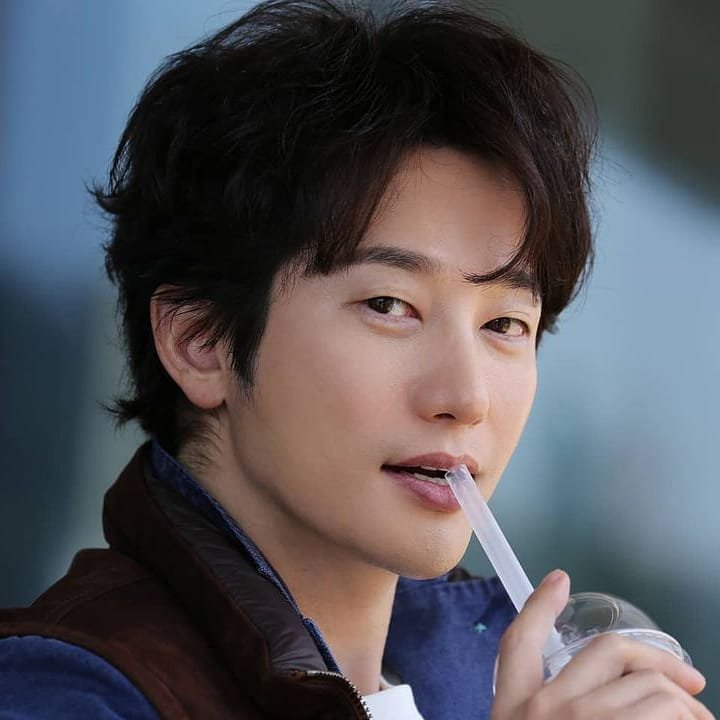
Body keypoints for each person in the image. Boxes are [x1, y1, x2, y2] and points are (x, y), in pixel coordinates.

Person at [0, 1, 712, 718]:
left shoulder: (496, 689)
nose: (467, 398)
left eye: (504, 322)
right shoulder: (65, 693)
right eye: (390, 306)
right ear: (200, 341)